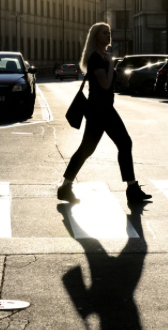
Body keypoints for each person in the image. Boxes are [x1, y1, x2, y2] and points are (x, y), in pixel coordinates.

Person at [58, 23, 152, 203]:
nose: (108, 35)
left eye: (109, 32)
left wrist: (110, 63)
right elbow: (106, 84)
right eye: (104, 33)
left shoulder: (103, 56)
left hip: (103, 108)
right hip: (99, 109)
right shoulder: (96, 58)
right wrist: (110, 64)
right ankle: (131, 189)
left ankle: (66, 187)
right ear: (95, 37)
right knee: (123, 143)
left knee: (89, 148)